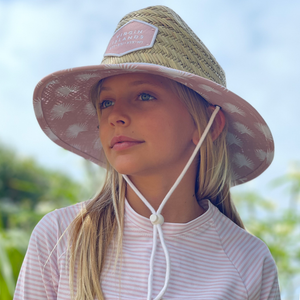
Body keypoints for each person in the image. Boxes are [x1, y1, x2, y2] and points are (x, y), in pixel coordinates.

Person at [14, 5, 280, 300]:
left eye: (144, 95)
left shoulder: (250, 262)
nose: (116, 115)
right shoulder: (60, 236)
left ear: (209, 125)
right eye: (105, 103)